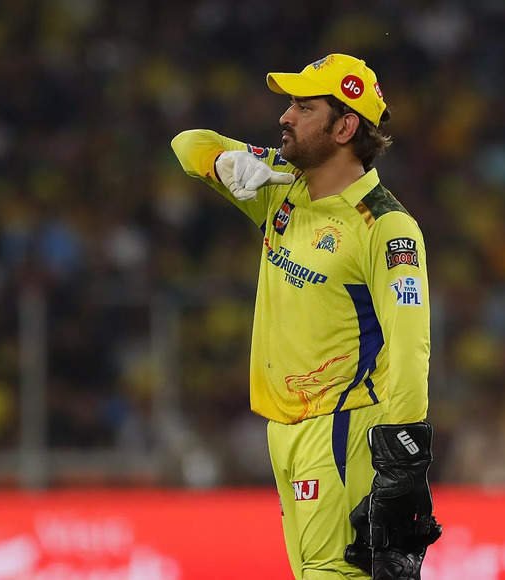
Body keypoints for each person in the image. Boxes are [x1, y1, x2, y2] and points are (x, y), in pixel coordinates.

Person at [171, 54, 441, 579]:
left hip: (342, 425)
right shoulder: (280, 185)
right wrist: (225, 163)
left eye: (304, 107)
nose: (285, 116)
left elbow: (411, 347)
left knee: (333, 574)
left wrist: (403, 462)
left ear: (344, 127)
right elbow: (187, 143)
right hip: (286, 429)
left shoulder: (386, 227)